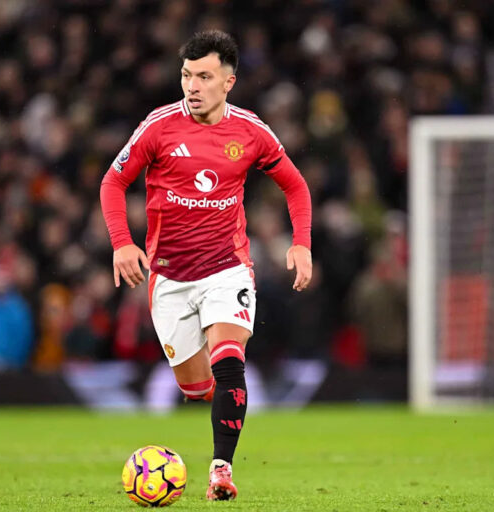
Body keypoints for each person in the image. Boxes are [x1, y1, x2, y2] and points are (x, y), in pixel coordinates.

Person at [100, 30, 312, 501]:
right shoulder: (158, 127)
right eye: (186, 75)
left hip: (227, 268)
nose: (192, 86)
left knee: (229, 360)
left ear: (228, 82)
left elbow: (295, 185)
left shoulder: (251, 131)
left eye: (203, 77)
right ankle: (221, 400)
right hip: (170, 277)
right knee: (197, 388)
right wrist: (121, 243)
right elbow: (112, 183)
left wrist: (301, 243)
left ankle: (221, 471)